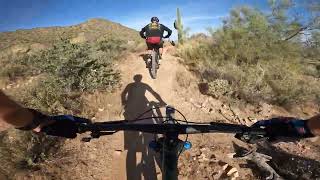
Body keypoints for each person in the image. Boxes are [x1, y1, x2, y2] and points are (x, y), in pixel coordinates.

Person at [0, 89, 319, 140]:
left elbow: (12, 112)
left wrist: (41, 123)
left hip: (33, 121)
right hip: (158, 44)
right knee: (160, 50)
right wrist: (301, 128)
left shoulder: (147, 29)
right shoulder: (159, 29)